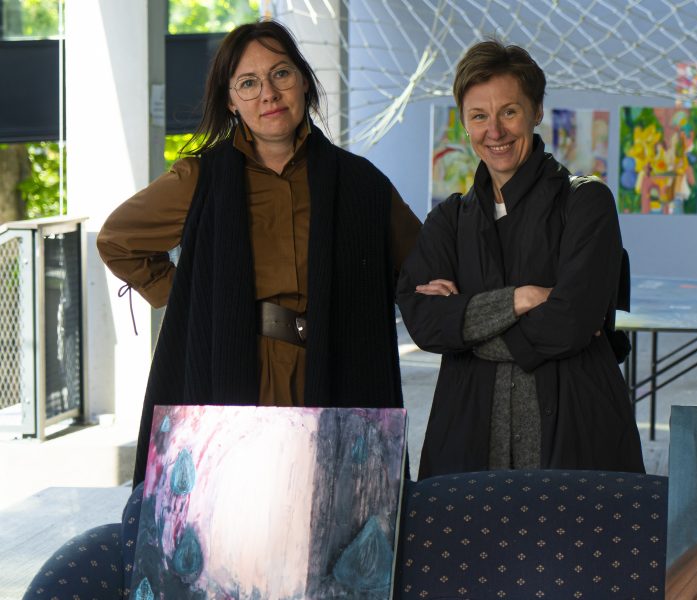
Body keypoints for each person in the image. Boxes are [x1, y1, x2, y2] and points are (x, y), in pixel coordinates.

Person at [97, 18, 421, 488]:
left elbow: (420, 265)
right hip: (235, 364)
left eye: (280, 74)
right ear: (231, 101)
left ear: (303, 82)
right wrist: (193, 301)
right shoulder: (200, 180)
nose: (268, 93)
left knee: (326, 512)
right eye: (248, 83)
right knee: (234, 514)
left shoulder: (361, 182)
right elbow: (118, 240)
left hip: (335, 367)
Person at [397, 40, 644, 480]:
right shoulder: (449, 220)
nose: (494, 131)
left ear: (536, 111)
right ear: (464, 123)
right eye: (479, 116)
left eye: (509, 112)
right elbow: (424, 322)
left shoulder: (587, 203)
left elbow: (570, 323)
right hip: (467, 433)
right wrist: (521, 299)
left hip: (577, 430)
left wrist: (467, 326)